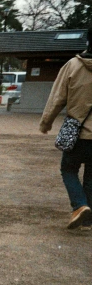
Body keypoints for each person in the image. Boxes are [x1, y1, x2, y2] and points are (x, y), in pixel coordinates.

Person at [40, 26, 92, 230]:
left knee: (68, 169)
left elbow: (57, 98)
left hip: (78, 133)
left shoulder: (73, 66)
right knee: (91, 175)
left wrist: (46, 122)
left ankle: (79, 205)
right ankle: (87, 218)